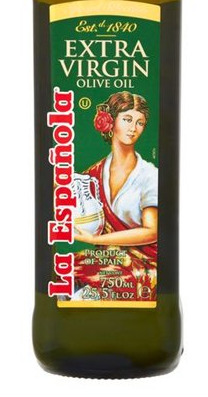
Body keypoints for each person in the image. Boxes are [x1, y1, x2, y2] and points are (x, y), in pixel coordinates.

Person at [69, 91, 158, 301]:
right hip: (105, 259)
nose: (133, 128)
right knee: (62, 274)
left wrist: (95, 239)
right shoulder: (95, 172)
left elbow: (152, 232)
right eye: (127, 119)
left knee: (82, 298)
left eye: (140, 123)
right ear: (111, 121)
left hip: (144, 265)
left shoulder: (149, 175)